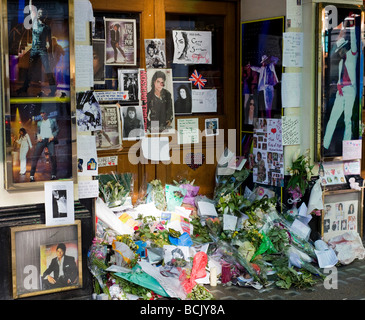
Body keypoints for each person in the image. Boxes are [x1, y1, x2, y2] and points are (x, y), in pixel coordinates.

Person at [323, 16, 358, 150]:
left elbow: (354, 42)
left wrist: (351, 26)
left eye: (340, 50)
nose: (340, 52)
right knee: (333, 118)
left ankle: (347, 145)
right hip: (341, 91)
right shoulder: (340, 62)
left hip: (349, 90)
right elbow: (340, 77)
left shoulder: (352, 55)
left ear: (344, 48)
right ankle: (325, 145)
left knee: (347, 119)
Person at [16, 0, 57, 97]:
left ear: (44, 16)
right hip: (34, 50)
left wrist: (51, 54)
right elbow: (31, 8)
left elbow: (50, 42)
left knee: (47, 69)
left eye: (41, 14)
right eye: (39, 13)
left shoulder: (47, 28)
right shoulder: (34, 22)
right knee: (30, 70)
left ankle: (53, 88)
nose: (39, 15)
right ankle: (25, 88)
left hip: (43, 50)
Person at [29, 109, 59, 182]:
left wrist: (53, 135)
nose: (42, 115)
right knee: (35, 157)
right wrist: (38, 135)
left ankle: (53, 174)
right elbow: (38, 132)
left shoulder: (52, 121)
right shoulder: (39, 123)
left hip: (49, 140)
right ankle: (31, 175)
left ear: (46, 113)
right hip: (41, 141)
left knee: (53, 156)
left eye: (43, 113)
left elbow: (57, 129)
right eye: (41, 113)